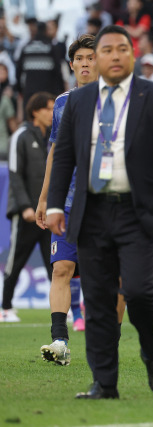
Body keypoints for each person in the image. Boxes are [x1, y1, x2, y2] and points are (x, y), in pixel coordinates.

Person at [46, 25, 153, 399]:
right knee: (98, 299)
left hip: (138, 213)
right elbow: (62, 159)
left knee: (138, 291)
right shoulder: (74, 102)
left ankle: (152, 353)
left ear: (132, 55)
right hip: (90, 213)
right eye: (107, 50)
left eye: (122, 48)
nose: (114, 56)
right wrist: (55, 203)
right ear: (97, 59)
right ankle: (104, 383)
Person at [34, 34, 97, 364]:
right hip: (69, 200)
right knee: (62, 268)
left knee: (105, 276)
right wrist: (45, 198)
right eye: (80, 59)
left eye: (91, 57)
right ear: (72, 64)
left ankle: (105, 341)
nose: (86, 63)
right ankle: (59, 340)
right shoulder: (62, 103)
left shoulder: (119, 100)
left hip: (105, 200)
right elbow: (55, 153)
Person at [1, 92, 55, 322]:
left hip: (48, 214)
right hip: (26, 214)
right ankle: (5, 306)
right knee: (17, 259)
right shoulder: (21, 135)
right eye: (49, 109)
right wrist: (24, 207)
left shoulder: (52, 137)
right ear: (36, 111)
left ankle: (65, 308)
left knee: (55, 262)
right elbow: (14, 173)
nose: (53, 114)